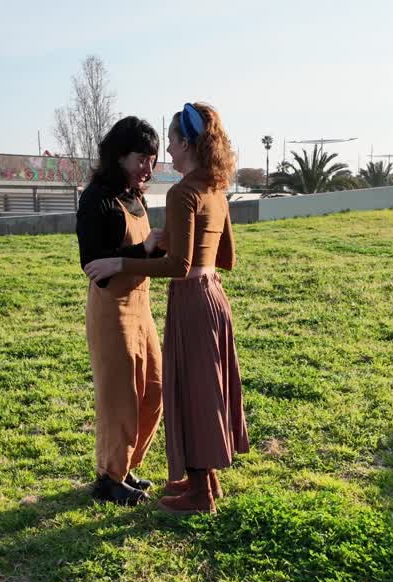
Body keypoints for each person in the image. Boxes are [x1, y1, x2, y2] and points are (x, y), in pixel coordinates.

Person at [84, 103, 248, 514]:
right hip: (191, 297)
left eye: (168, 147)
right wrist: (190, 259)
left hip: (179, 300)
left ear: (187, 143)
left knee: (176, 393)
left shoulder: (179, 192)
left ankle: (195, 487)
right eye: (145, 158)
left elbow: (179, 264)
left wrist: (137, 258)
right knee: (167, 394)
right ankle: (119, 477)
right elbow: (225, 253)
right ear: (119, 156)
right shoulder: (214, 188)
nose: (160, 161)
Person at [77, 116, 165, 506]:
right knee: (119, 397)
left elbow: (140, 255)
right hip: (112, 310)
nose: (148, 167)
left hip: (142, 306)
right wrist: (142, 251)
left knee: (154, 390)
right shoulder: (96, 198)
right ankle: (109, 478)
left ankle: (126, 467)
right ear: (118, 156)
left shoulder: (136, 196)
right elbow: (94, 266)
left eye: (152, 159)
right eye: (141, 158)